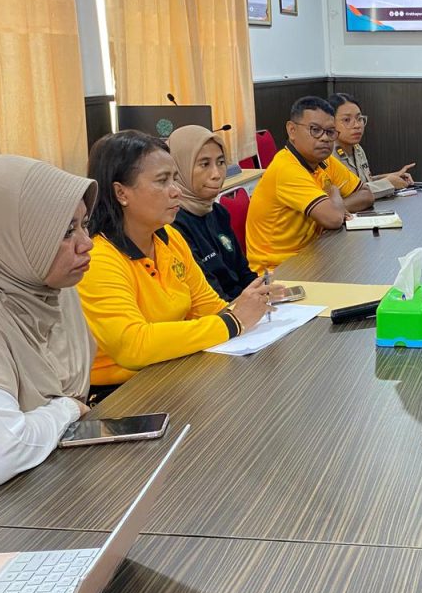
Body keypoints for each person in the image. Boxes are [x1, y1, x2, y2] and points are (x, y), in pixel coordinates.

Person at [78, 130, 275, 396]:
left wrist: (248, 306)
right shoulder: (99, 258)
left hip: (173, 368)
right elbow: (133, 347)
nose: (176, 191)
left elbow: (209, 307)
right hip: (121, 392)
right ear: (121, 192)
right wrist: (233, 321)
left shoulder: (169, 237)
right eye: (162, 181)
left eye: (174, 178)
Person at [0, 156, 97, 504]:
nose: (87, 243)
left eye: (84, 225)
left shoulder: (45, 285)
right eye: (66, 231)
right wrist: (65, 410)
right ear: (3, 236)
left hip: (49, 486)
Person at [246, 96, 375, 272]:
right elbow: (333, 219)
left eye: (330, 132)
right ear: (292, 130)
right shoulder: (286, 168)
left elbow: (366, 195)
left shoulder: (325, 161)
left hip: (314, 254)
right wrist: (334, 195)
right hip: (276, 270)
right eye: (315, 130)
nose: (324, 138)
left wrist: (336, 206)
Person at [169, 124, 257, 300]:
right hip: (220, 310)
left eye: (221, 162)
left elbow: (244, 273)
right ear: (179, 169)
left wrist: (266, 292)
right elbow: (208, 296)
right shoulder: (173, 224)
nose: (217, 174)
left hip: (242, 305)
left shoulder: (218, 212)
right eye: (204, 164)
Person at [329, 92, 415, 199]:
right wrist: (388, 183)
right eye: (347, 120)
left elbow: (362, 182)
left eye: (359, 118)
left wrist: (389, 177)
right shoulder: (327, 154)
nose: (357, 125)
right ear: (330, 123)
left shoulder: (357, 148)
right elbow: (349, 193)